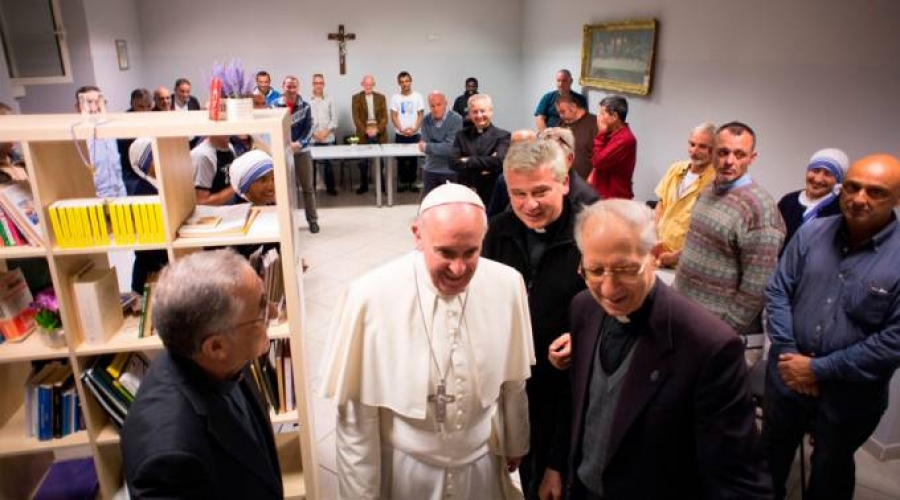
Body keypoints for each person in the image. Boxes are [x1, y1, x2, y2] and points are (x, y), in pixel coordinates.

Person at [319, 183, 534, 499]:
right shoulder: (369, 296)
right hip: (408, 471)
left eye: (471, 252)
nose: (459, 269)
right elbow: (356, 420)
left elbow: (513, 382)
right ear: (418, 235)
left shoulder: (507, 284)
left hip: (481, 466)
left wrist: (516, 441)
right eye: (445, 252)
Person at [567, 199, 772, 499]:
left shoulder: (709, 345)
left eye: (625, 269)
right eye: (595, 271)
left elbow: (738, 476)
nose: (608, 290)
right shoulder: (582, 308)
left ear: (654, 255)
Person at [763, 154, 900, 500]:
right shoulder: (811, 232)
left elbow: (893, 341)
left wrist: (818, 370)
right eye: (852, 187)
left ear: (897, 198)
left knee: (831, 469)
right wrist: (792, 356)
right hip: (787, 377)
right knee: (768, 460)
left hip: (849, 395)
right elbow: (778, 290)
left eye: (875, 192)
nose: (859, 198)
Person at [122, 250, 283, 499]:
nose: (273, 313)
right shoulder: (168, 460)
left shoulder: (221, 358)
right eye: (260, 311)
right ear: (216, 346)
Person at [482, 139, 587, 500]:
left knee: (555, 482)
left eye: (541, 191)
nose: (529, 204)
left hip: (564, 388)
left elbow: (617, 308)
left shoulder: (590, 233)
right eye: (518, 193)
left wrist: (583, 335)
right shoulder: (496, 231)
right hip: (511, 381)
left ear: (564, 183)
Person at [674, 121, 784, 335]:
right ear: (712, 152)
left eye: (739, 154)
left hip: (712, 329)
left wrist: (725, 330)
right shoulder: (708, 190)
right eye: (723, 152)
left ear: (752, 158)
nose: (729, 161)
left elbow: (757, 286)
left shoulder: (760, 209)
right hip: (683, 313)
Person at [651, 123, 717, 268]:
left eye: (702, 146)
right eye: (692, 144)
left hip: (685, 264)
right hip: (658, 255)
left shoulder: (716, 181)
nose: (694, 151)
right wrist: (655, 240)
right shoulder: (676, 169)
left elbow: (707, 232)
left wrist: (674, 257)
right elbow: (661, 204)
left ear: (714, 150)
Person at [272, 76, 319, 233]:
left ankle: (312, 220)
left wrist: (300, 143)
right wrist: (285, 145)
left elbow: (309, 127)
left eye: (294, 87)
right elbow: (273, 128)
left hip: (301, 151)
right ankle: (286, 223)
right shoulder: (274, 105)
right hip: (282, 153)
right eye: (288, 86)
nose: (291, 90)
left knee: (308, 188)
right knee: (283, 190)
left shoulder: (305, 106)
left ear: (298, 88)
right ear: (283, 86)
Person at [777, 147, 848, 247]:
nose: (818, 179)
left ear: (839, 180)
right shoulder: (788, 201)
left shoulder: (841, 207)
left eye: (827, 174)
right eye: (815, 170)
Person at [451, 94, 510, 206]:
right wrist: (488, 162)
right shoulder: (461, 135)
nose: (479, 115)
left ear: (490, 111)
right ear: (469, 114)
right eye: (475, 112)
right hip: (465, 190)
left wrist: (467, 160)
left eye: (482, 111)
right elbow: (452, 163)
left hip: (491, 192)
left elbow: (499, 161)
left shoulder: (503, 136)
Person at [74, 86, 127, 198]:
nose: (95, 107)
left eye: (98, 102)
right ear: (79, 107)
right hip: (95, 195)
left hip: (120, 190)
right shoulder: (77, 137)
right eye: (89, 102)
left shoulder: (110, 129)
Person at [590, 95, 636, 199]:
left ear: (614, 116)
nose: (598, 117)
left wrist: (600, 134)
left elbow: (598, 162)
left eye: (602, 113)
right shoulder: (610, 132)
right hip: (600, 194)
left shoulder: (625, 139)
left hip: (614, 199)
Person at [418, 91, 463, 196]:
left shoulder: (456, 119)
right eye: (432, 106)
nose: (435, 109)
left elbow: (450, 148)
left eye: (439, 104)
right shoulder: (426, 120)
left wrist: (428, 146)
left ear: (446, 103)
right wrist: (441, 145)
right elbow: (423, 146)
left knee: (450, 205)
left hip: (450, 170)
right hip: (430, 168)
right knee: (428, 204)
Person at [351, 74, 388, 194]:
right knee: (363, 162)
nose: (368, 86)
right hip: (363, 133)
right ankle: (364, 185)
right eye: (366, 84)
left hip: (379, 133)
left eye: (370, 84)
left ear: (373, 84)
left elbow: (385, 118)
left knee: (380, 162)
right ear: (362, 84)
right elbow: (356, 118)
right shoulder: (356, 98)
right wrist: (366, 130)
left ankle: (381, 186)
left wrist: (376, 129)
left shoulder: (381, 97)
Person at [390, 71, 425, 192]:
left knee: (413, 160)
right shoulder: (395, 98)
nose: (405, 84)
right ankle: (402, 183)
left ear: (411, 81)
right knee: (401, 160)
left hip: (415, 134)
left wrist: (414, 129)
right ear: (399, 83)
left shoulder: (418, 96)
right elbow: (393, 116)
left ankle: (412, 182)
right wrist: (401, 129)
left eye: (407, 81)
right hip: (401, 134)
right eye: (402, 82)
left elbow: (421, 114)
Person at [117, 89, 154, 195]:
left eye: (148, 106)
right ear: (132, 105)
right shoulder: (123, 125)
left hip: (147, 168)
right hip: (130, 175)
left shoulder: (154, 118)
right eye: (141, 107)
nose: (145, 111)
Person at [309, 73, 339, 196]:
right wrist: (315, 134)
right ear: (313, 84)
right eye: (316, 83)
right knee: (310, 166)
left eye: (321, 83)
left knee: (329, 164)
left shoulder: (330, 99)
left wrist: (325, 132)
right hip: (312, 139)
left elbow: (335, 119)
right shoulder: (306, 101)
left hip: (328, 137)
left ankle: (330, 188)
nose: (318, 85)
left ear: (324, 84)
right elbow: (305, 121)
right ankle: (311, 190)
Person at [557, 95, 597, 180]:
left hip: (586, 183)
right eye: (559, 112)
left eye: (563, 112)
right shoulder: (562, 124)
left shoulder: (595, 123)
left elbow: (600, 158)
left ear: (574, 107)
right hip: (565, 181)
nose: (561, 116)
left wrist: (590, 181)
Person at [191, 135, 237, 205]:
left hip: (229, 209)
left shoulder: (230, 147)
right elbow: (202, 202)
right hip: (212, 214)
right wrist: (237, 186)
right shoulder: (202, 156)